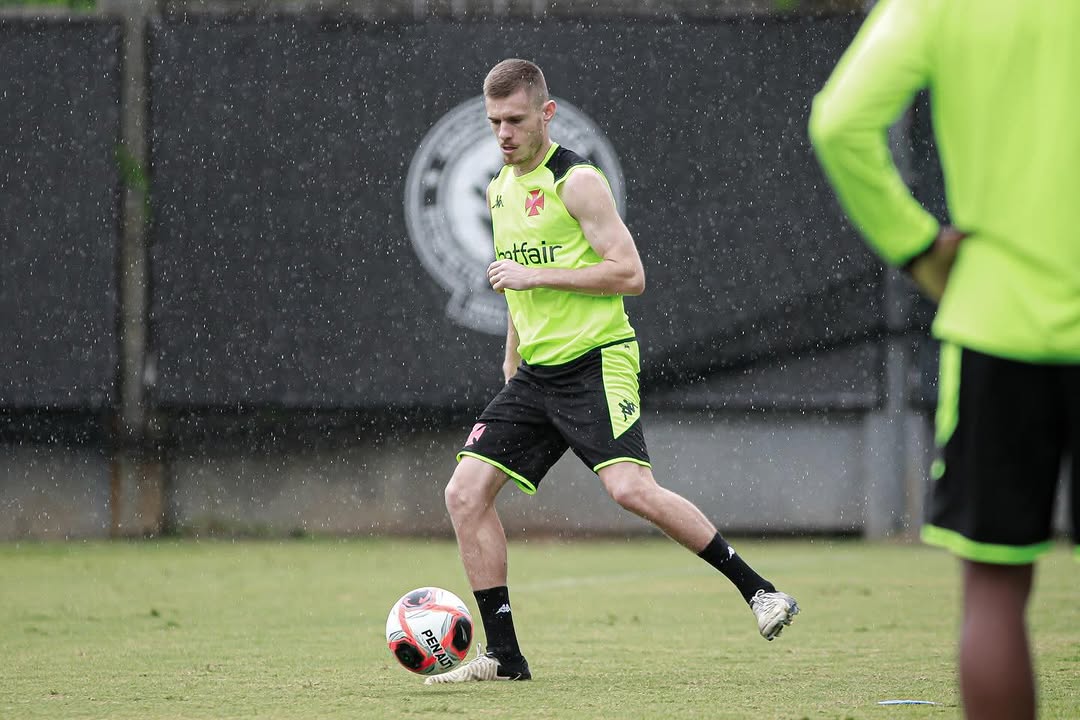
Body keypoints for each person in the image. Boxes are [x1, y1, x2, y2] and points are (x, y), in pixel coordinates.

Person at [425, 58, 800, 685]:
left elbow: (630, 274)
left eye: (515, 120)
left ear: (546, 113)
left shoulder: (578, 181)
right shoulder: (499, 188)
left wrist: (535, 276)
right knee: (463, 494)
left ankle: (760, 591)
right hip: (536, 374)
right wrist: (513, 352)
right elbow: (514, 279)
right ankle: (505, 658)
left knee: (630, 490)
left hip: (597, 361)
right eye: (494, 122)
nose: (504, 134)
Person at [809, 2, 1080, 718]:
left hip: (998, 321)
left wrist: (917, 246)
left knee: (995, 588)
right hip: (997, 320)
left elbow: (840, 122)